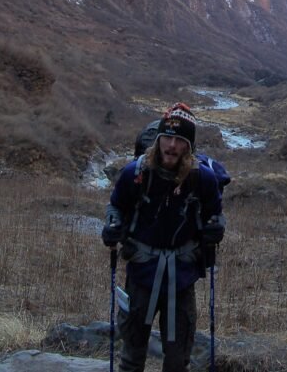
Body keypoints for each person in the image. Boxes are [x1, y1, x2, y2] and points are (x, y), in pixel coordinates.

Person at [102, 103, 225, 372]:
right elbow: (116, 206)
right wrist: (112, 225)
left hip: (181, 277)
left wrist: (217, 228)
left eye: (179, 140)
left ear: (188, 147)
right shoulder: (134, 173)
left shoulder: (202, 179)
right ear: (157, 140)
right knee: (132, 356)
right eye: (166, 138)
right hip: (142, 273)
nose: (171, 145)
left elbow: (215, 213)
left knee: (177, 360)